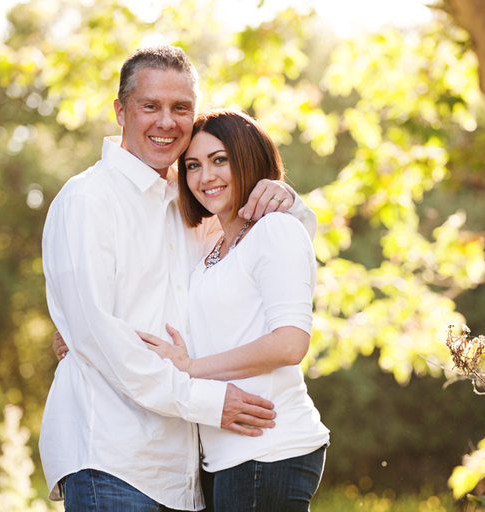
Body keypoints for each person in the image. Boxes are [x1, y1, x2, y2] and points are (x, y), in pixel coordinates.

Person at [40, 45, 317, 512]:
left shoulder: (190, 201)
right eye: (150, 106)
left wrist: (287, 199)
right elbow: (102, 339)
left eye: (180, 108)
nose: (166, 122)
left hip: (190, 471)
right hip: (114, 458)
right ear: (121, 110)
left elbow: (268, 253)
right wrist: (208, 401)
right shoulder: (87, 201)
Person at [138, 109, 330, 511]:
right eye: (193, 165)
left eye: (219, 160)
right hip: (227, 458)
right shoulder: (214, 251)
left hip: (269, 450)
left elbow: (290, 344)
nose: (205, 177)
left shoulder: (275, 229)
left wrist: (191, 368)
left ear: (248, 159)